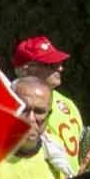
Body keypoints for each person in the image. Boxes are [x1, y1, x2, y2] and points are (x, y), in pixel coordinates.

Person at [15, 36, 82, 170]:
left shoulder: (68, 105)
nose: (60, 68)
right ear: (25, 69)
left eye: (59, 63)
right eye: (50, 64)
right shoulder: (12, 101)